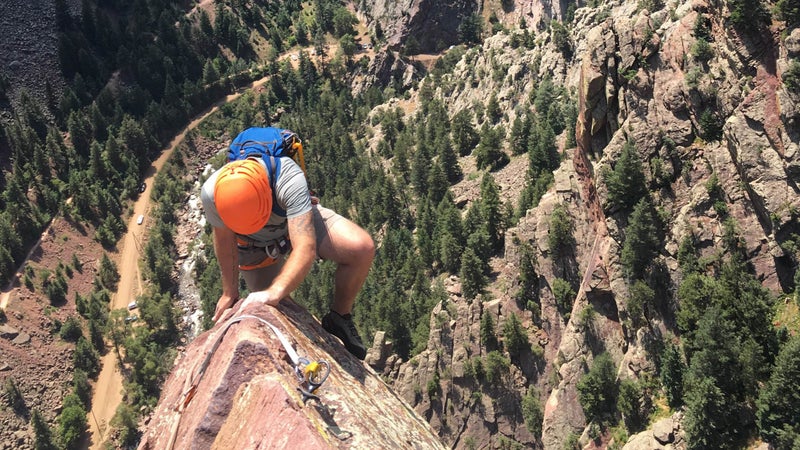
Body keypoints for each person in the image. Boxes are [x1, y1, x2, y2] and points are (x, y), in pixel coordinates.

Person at [200, 133, 375, 360]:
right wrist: (229, 291)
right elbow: (225, 242)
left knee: (361, 249)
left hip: (293, 221)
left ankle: (340, 317)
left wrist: (274, 291)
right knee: (281, 310)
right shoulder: (212, 193)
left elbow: (305, 248)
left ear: (267, 195)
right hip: (252, 246)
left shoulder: (287, 178)